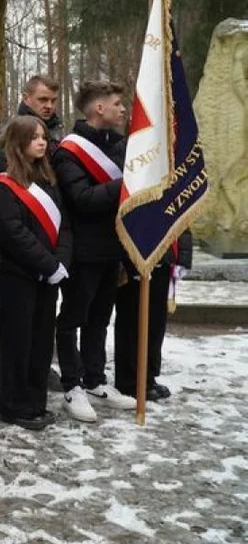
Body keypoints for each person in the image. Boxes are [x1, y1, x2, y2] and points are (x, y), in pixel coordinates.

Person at [52, 80, 137, 422]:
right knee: (73, 317)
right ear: (98, 108)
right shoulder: (68, 151)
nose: (122, 109)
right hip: (82, 250)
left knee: (101, 318)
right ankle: (72, 385)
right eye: (117, 103)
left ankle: (94, 380)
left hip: (113, 247)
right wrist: (127, 184)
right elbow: (83, 200)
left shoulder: (120, 144)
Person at [0, 116, 72, 430]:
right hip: (17, 276)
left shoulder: (48, 180)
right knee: (17, 343)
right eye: (34, 137)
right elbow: (13, 232)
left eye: (44, 137)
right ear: (18, 142)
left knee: (40, 341)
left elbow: (64, 225)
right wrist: (47, 264)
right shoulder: (3, 185)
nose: (42, 142)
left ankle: (35, 402)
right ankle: (13, 405)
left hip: (48, 276)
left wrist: (60, 262)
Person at [113, 233, 192, 401]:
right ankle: (130, 381)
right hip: (136, 259)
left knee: (155, 323)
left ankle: (148, 377)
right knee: (132, 322)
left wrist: (183, 258)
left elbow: (182, 219)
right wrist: (131, 262)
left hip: (164, 258)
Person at [0, 75, 64, 181]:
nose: (49, 106)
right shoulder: (8, 135)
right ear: (26, 98)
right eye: (43, 100)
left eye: (53, 101)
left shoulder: (56, 133)